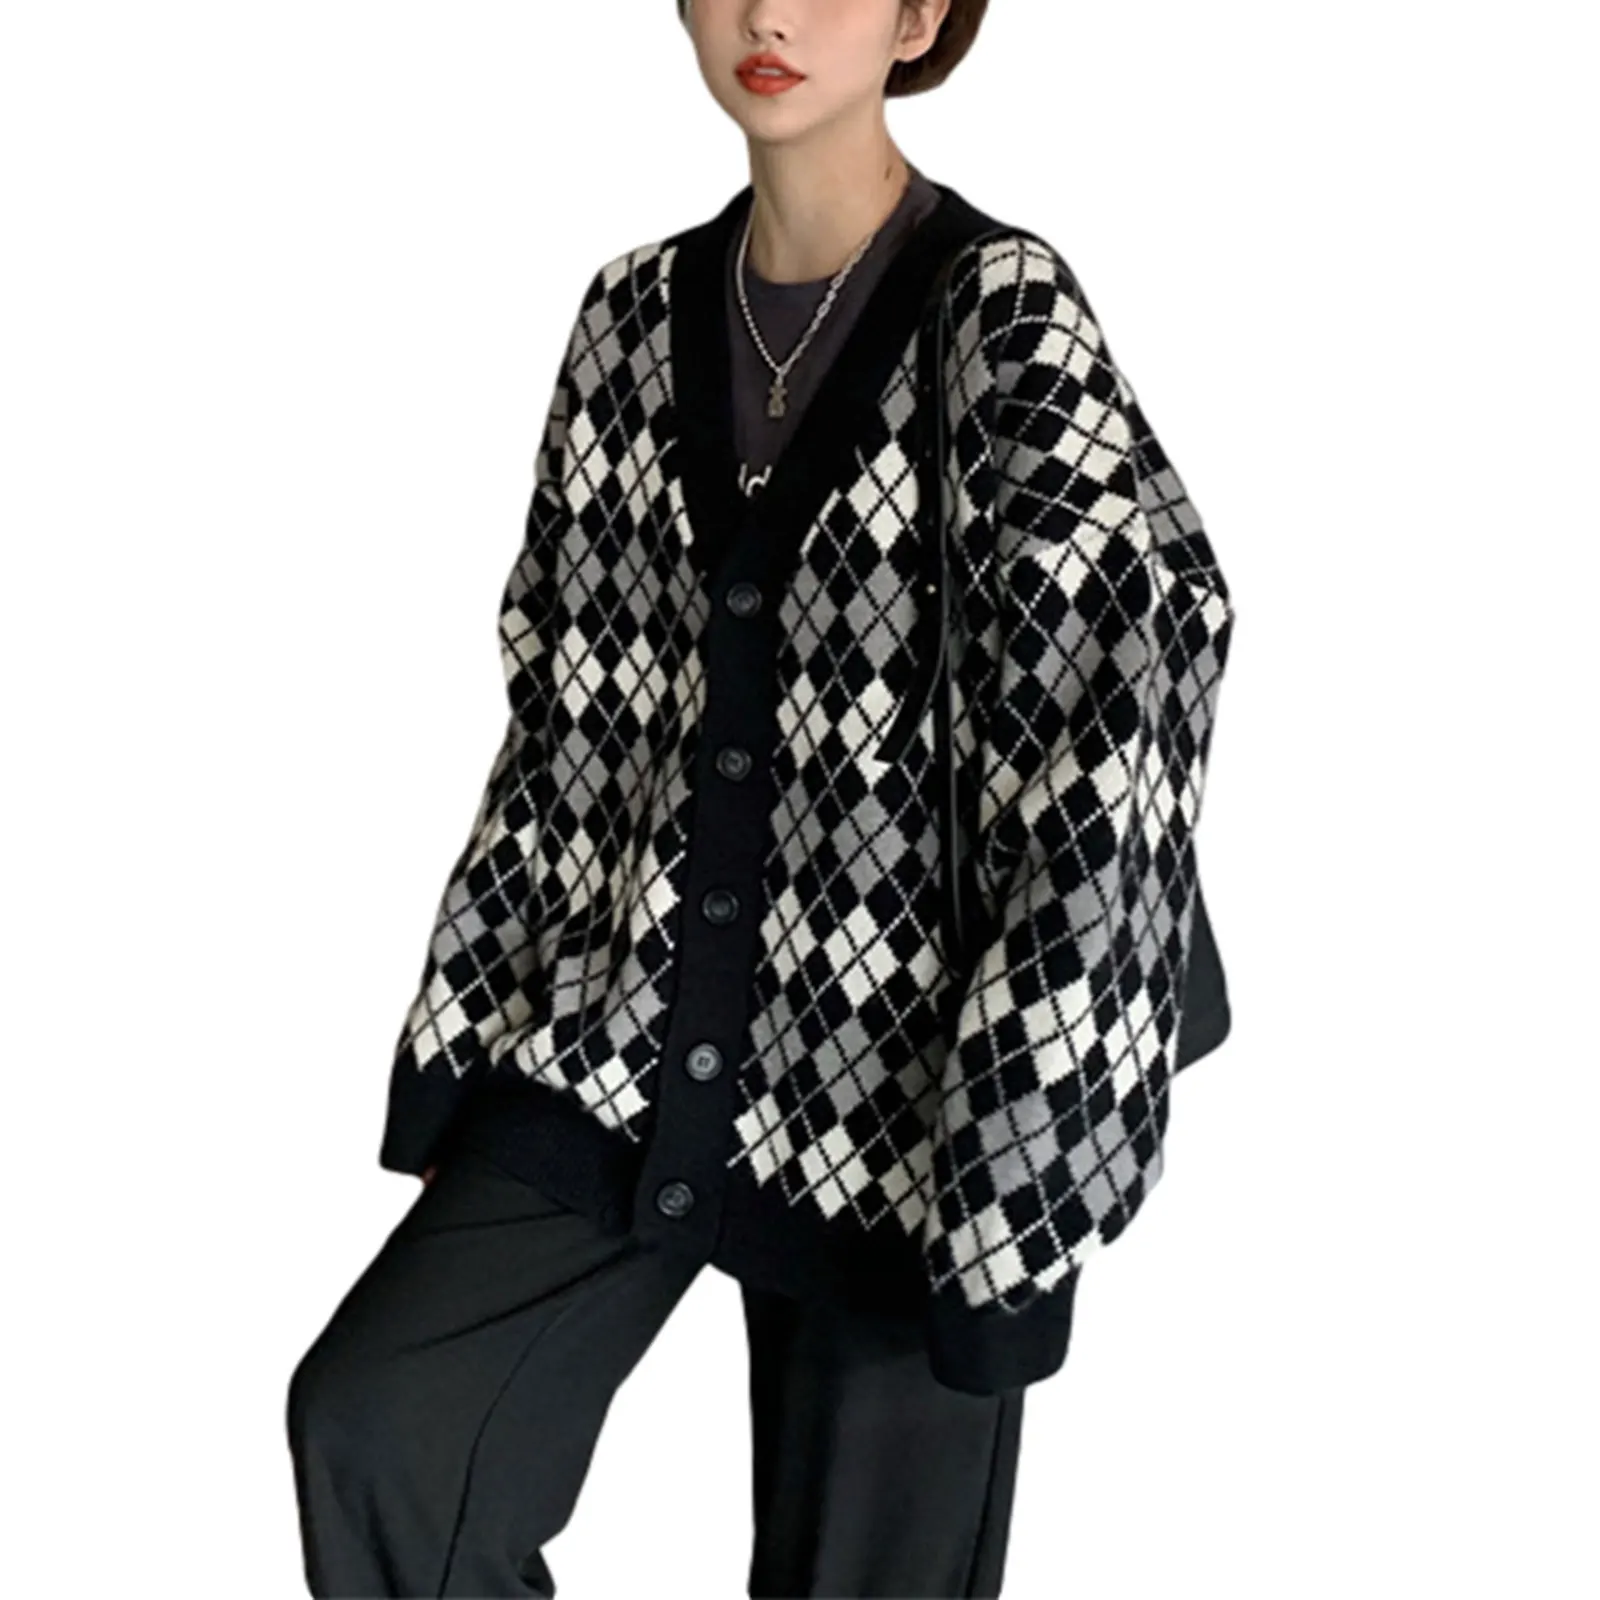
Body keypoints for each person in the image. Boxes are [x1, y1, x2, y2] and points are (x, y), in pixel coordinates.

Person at [285, 1, 1237, 1595]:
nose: (770, 14)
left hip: (917, 1081)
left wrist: (1028, 1132)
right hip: (629, 1021)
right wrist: (470, 1048)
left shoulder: (1002, 317)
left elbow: (1129, 684)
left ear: (921, 15)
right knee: (385, 1428)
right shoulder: (626, 318)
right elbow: (566, 716)